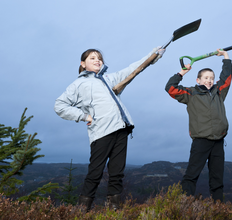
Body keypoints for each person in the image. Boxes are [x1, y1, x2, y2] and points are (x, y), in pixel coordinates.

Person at [54, 47, 164, 212]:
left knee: (117, 173)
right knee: (95, 172)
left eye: (99, 58)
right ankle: (82, 210)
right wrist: (84, 116)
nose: (97, 60)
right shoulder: (79, 84)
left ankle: (113, 208)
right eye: (92, 58)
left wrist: (154, 54)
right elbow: (59, 105)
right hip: (101, 131)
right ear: (83, 64)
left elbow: (132, 69)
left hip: (121, 129)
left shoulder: (108, 78)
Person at [165, 49, 232, 202]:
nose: (209, 80)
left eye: (212, 78)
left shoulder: (219, 92)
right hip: (201, 141)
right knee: (192, 174)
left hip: (218, 141)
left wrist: (226, 57)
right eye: (206, 77)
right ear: (198, 80)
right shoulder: (191, 93)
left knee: (217, 177)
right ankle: (185, 204)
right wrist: (181, 73)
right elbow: (170, 88)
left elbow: (226, 78)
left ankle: (218, 207)